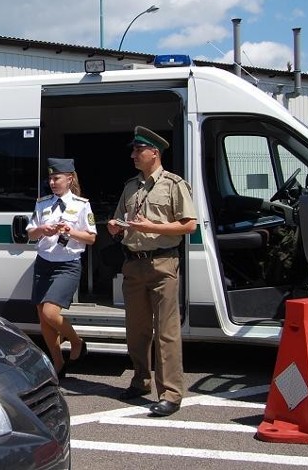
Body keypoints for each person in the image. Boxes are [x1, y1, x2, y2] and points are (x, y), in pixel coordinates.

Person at [107, 126, 197, 417]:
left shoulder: (174, 184)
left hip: (162, 263)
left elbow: (188, 225)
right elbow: (123, 220)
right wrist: (115, 228)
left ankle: (170, 393)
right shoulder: (130, 186)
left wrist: (152, 228)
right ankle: (141, 379)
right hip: (133, 263)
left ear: (154, 153)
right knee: (136, 329)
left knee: (167, 332)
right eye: (133, 150)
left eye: (138, 150)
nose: (133, 154)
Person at [26, 157, 97, 378]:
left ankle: (77, 342)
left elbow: (91, 238)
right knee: (43, 318)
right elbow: (30, 233)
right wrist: (42, 229)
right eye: (50, 178)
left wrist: (69, 231)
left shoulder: (82, 204)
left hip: (67, 264)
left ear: (69, 178)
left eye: (56, 178)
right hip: (44, 262)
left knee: (50, 312)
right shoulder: (42, 203)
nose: (52, 182)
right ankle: (58, 363)